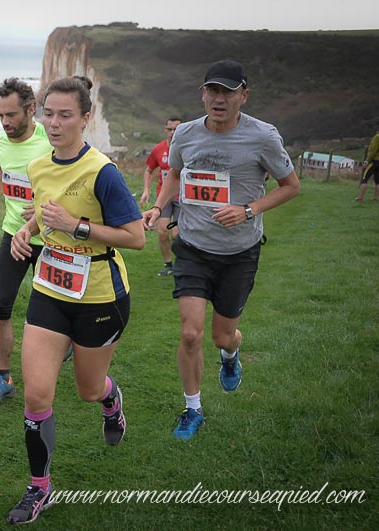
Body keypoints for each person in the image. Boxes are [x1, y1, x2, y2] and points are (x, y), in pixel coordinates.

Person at [7, 76, 145, 524]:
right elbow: (47, 214)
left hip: (100, 296)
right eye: (48, 113)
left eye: (65, 115)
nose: (54, 123)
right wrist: (26, 231)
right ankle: (40, 488)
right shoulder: (39, 167)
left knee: (87, 389)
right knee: (36, 395)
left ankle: (110, 400)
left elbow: (136, 237)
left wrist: (77, 226)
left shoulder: (102, 172)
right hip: (50, 290)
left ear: (85, 118)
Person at [142, 60, 301, 441]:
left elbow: (291, 186)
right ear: (203, 94)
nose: (219, 99)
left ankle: (231, 355)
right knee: (190, 334)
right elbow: (175, 174)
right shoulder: (186, 134)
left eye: (228, 92)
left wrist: (248, 210)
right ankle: (192, 409)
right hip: (193, 247)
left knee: (221, 336)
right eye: (213, 91)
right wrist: (158, 207)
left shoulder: (263, 137)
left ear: (243, 96)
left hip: (239, 253)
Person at [0, 77, 53, 405]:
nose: (5, 122)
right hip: (13, 234)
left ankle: (58, 354)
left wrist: (42, 208)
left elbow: (71, 183)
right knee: (0, 305)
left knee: (50, 312)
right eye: (0, 116)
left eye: (11, 115)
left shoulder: (50, 142)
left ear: (31, 110)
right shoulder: (0, 141)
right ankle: (2, 378)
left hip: (51, 239)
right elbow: (2, 165)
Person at [140, 117, 183, 276]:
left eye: (176, 129)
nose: (172, 132)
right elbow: (149, 170)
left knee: (177, 234)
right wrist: (146, 190)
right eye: (170, 129)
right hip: (164, 198)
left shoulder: (187, 148)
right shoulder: (158, 149)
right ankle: (168, 264)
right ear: (165, 130)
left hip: (182, 197)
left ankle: (183, 263)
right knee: (162, 231)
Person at [356, 131, 379, 202]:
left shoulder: (377, 137)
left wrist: (367, 160)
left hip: (374, 161)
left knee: (364, 178)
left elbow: (373, 150)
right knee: (378, 181)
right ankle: (375, 197)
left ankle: (360, 197)